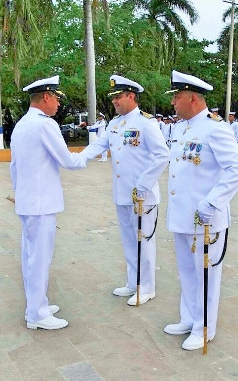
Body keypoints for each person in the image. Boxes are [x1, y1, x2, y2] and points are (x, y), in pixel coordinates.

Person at [163, 70, 238, 351]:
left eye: (176, 97)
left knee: (206, 274)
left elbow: (237, 169)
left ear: (192, 98)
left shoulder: (215, 128)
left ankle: (204, 327)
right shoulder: (181, 128)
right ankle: (189, 318)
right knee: (187, 273)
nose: (173, 103)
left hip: (206, 220)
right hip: (183, 216)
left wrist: (213, 202)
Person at [79, 75, 169, 306]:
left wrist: (143, 185)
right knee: (129, 240)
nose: (115, 102)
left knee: (144, 241)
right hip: (122, 194)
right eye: (113, 98)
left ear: (131, 96)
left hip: (142, 196)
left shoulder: (146, 123)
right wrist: (78, 158)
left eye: (118, 97)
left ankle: (147, 287)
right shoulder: (115, 124)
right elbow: (99, 145)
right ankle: (133, 282)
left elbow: (162, 155)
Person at [10, 75, 87, 330]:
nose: (57, 104)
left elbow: (14, 167)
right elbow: (68, 161)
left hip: (28, 201)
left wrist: (21, 193)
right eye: (56, 98)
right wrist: (91, 151)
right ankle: (37, 315)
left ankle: (36, 304)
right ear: (46, 97)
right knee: (39, 258)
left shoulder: (22, 124)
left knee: (31, 256)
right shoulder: (45, 125)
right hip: (41, 204)